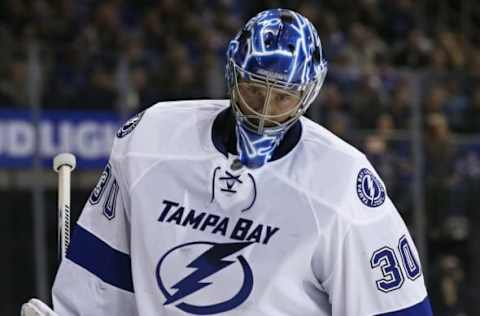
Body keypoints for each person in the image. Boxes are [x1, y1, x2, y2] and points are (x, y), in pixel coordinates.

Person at [23, 9, 433, 316]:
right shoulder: (150, 140)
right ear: (233, 73)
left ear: (309, 92)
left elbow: (397, 309)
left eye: (283, 97)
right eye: (255, 91)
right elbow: (100, 280)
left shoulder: (342, 182)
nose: (264, 111)